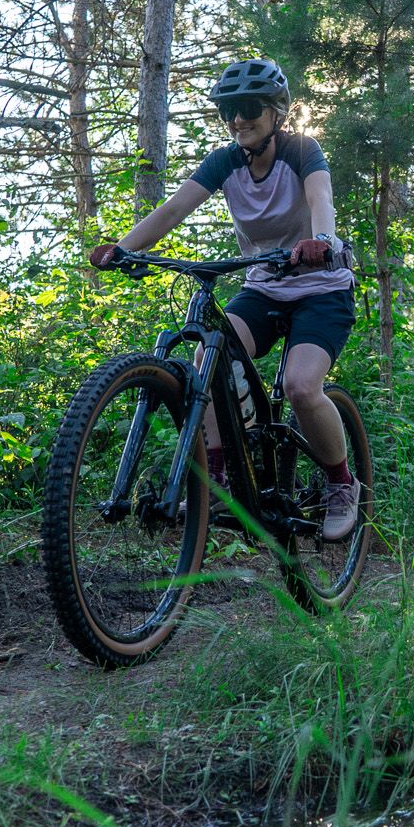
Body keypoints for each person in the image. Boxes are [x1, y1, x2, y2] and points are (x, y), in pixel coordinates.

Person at [86, 59, 361, 541]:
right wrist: (124, 249)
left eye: (250, 108)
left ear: (277, 112)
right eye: (229, 111)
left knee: (300, 387)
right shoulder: (225, 162)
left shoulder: (301, 151)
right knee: (207, 355)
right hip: (263, 288)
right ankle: (218, 478)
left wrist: (322, 241)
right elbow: (173, 209)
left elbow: (322, 200)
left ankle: (342, 483)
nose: (238, 119)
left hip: (321, 289)